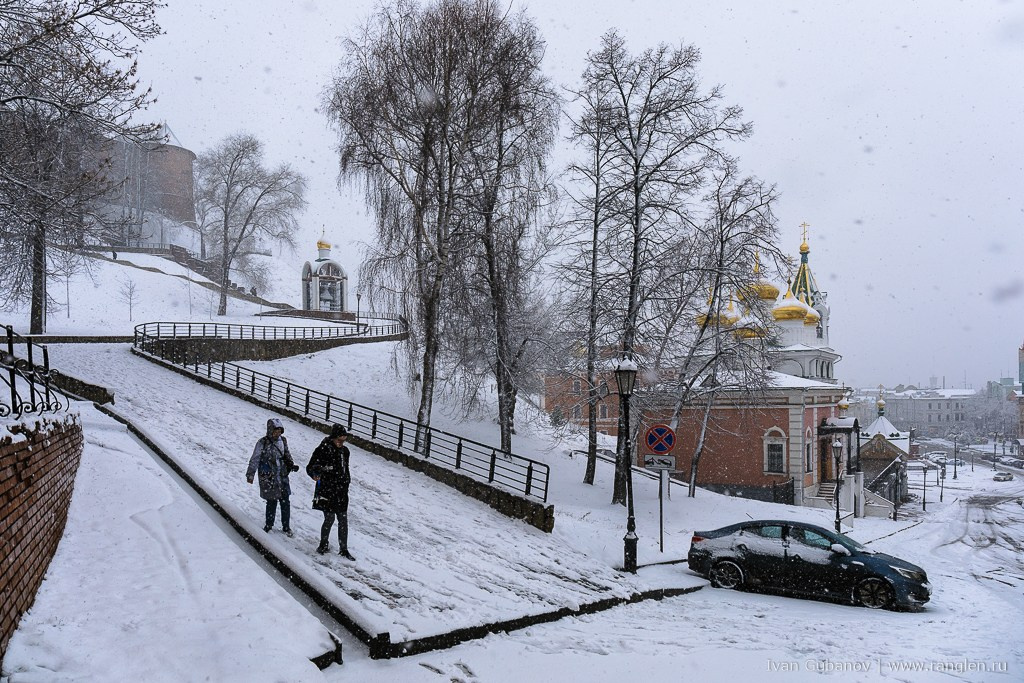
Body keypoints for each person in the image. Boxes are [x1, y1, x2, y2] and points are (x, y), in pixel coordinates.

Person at [306, 423, 354, 559]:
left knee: (343, 520)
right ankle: (323, 544)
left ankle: (343, 549)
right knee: (329, 518)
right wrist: (316, 473)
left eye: (344, 440)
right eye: (339, 440)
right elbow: (311, 466)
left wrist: (346, 481)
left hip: (341, 490)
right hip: (327, 489)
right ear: (333, 438)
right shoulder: (323, 449)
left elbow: (346, 469)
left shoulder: (345, 452)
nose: (341, 443)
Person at [246, 418, 299, 536]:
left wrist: (291, 464)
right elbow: (255, 458)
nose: (278, 433)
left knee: (285, 501)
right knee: (271, 501)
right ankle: (269, 524)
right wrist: (250, 474)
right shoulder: (262, 442)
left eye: (280, 430)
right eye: (276, 430)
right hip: (269, 476)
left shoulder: (283, 441)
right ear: (270, 430)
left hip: (282, 475)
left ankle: (286, 527)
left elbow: (287, 454)